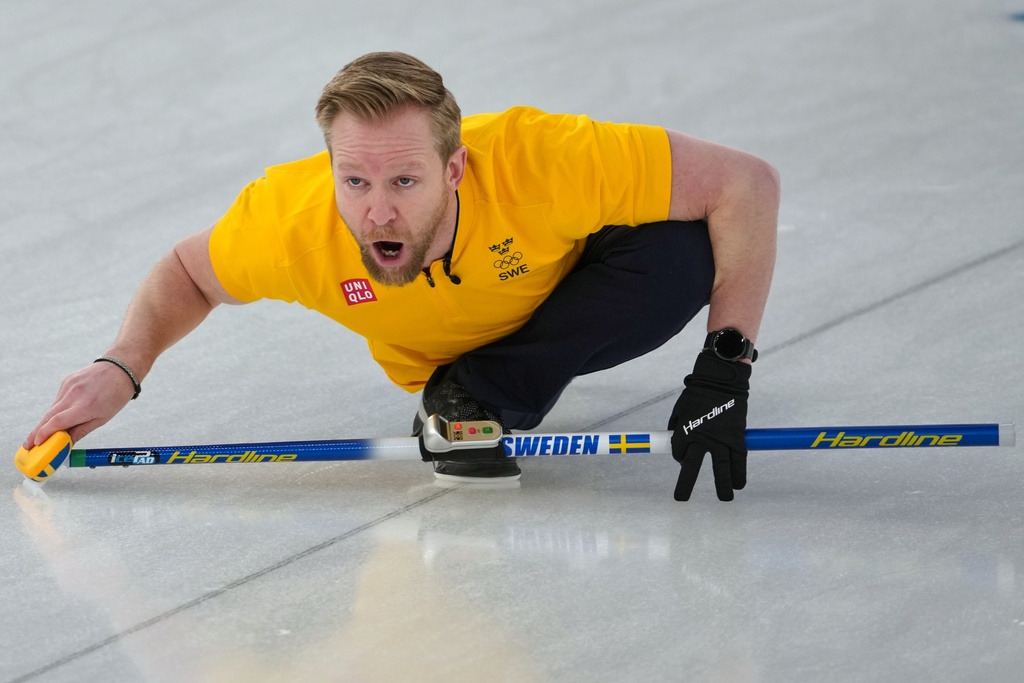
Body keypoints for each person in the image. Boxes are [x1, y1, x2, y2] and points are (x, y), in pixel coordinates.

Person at [23, 51, 778, 501]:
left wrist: (723, 374)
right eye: (354, 182)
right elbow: (189, 272)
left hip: (572, 294)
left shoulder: (537, 158)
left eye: (405, 183)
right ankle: (464, 391)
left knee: (680, 253)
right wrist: (123, 363)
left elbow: (744, 184)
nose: (377, 212)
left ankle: (485, 395)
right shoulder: (291, 223)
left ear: (455, 168)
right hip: (444, 351)